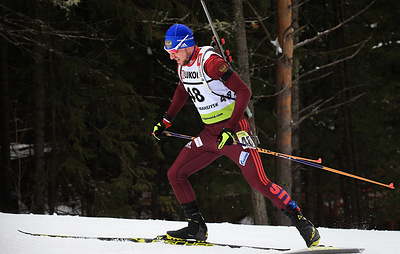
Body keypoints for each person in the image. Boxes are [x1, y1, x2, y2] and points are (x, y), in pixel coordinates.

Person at [152, 24, 320, 247]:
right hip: (210, 133)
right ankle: (196, 227)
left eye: (174, 51)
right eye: (168, 52)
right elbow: (183, 89)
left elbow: (244, 92)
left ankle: (304, 225)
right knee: (176, 173)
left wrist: (230, 129)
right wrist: (166, 119)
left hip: (234, 128)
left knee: (258, 182)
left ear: (187, 45)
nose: (171, 56)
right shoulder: (183, 65)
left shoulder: (210, 62)